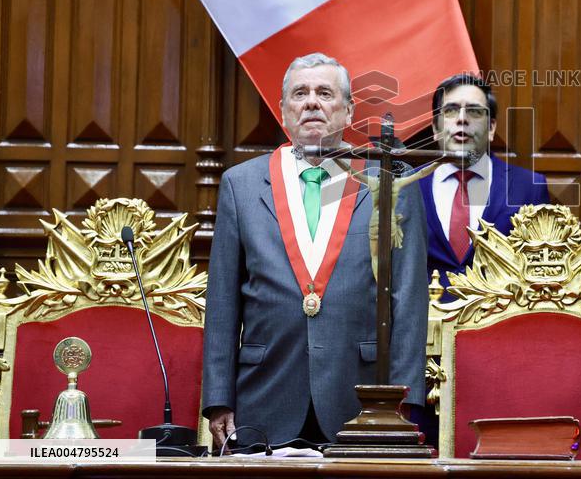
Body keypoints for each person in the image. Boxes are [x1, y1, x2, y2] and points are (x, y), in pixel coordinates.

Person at [202, 53, 428, 449]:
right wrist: (218, 400)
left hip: (363, 398)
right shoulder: (241, 184)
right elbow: (222, 303)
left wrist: (403, 397)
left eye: (325, 93)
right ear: (283, 110)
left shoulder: (390, 182)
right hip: (264, 394)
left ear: (348, 110)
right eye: (299, 93)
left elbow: (408, 297)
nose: (311, 103)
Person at [418, 74, 551, 290]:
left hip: (500, 320)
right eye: (450, 110)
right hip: (425, 320)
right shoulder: (405, 187)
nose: (462, 119)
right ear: (435, 128)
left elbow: (542, 272)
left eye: (475, 111)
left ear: (491, 128)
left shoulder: (529, 188)